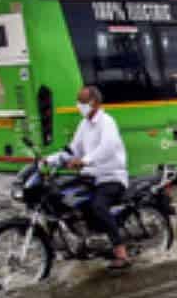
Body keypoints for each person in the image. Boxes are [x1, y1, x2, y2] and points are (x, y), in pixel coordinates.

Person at [47, 85, 130, 269]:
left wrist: (84, 161)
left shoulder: (107, 122)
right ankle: (82, 239)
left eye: (83, 102)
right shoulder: (83, 124)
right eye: (78, 102)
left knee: (98, 206)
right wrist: (49, 160)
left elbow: (106, 148)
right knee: (64, 197)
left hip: (111, 176)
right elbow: (72, 149)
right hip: (90, 177)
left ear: (95, 102)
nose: (79, 105)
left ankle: (120, 250)